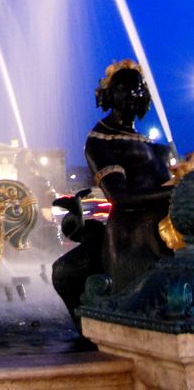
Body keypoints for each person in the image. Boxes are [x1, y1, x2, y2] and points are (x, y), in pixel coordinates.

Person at [84, 59, 173, 291]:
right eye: (123, 88)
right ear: (108, 94)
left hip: (164, 232)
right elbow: (119, 197)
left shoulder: (147, 142)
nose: (132, 93)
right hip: (132, 239)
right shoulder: (100, 140)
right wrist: (176, 191)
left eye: (138, 88)